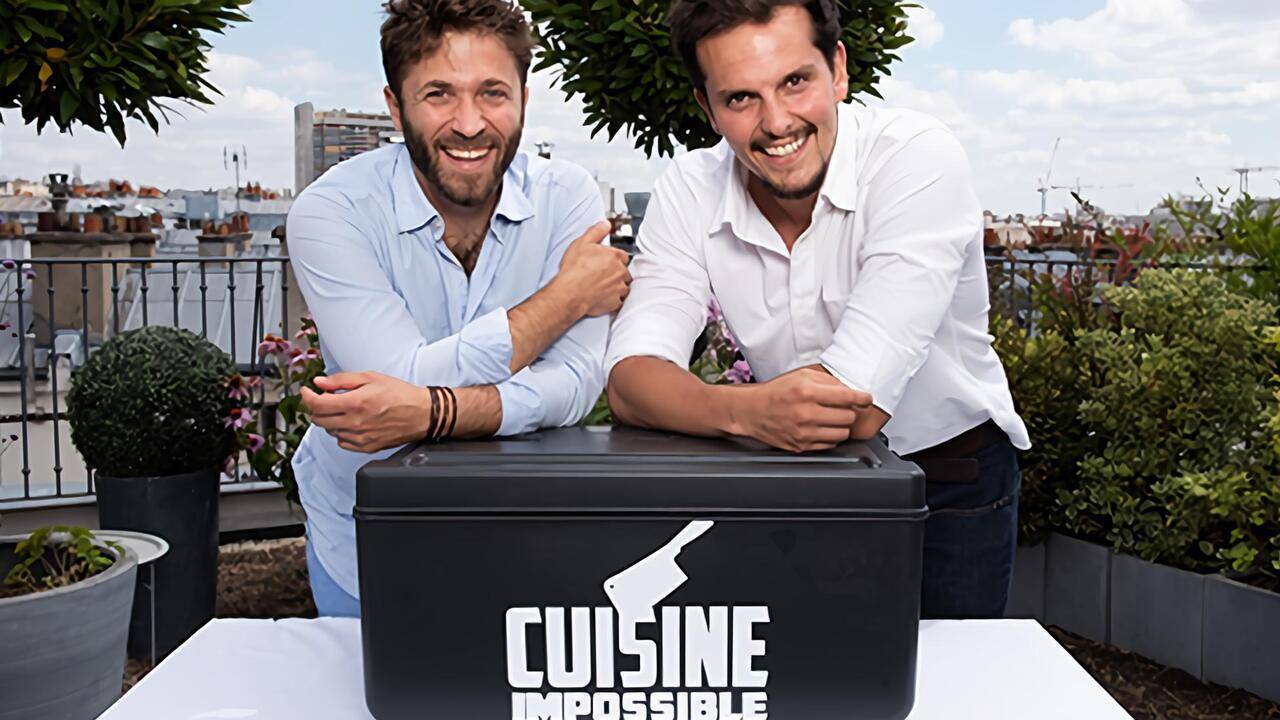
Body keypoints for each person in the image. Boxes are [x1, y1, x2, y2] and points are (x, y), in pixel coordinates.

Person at [604, 0, 1030, 619]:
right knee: (798, 666)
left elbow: (854, 407)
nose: (777, 122)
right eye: (740, 98)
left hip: (947, 479)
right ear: (708, 107)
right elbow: (630, 381)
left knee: (946, 674)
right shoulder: (688, 187)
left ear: (838, 70)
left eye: (795, 81)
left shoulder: (916, 157)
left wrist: (716, 409)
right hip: (787, 474)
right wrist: (745, 412)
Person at [286, 0, 631, 618]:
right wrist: (564, 299)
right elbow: (398, 378)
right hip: (364, 545)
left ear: (524, 99)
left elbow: (578, 385)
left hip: (524, 537)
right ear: (396, 107)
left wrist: (430, 409)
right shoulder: (332, 211)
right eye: (438, 94)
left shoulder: (567, 196)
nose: (469, 124)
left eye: (493, 93)